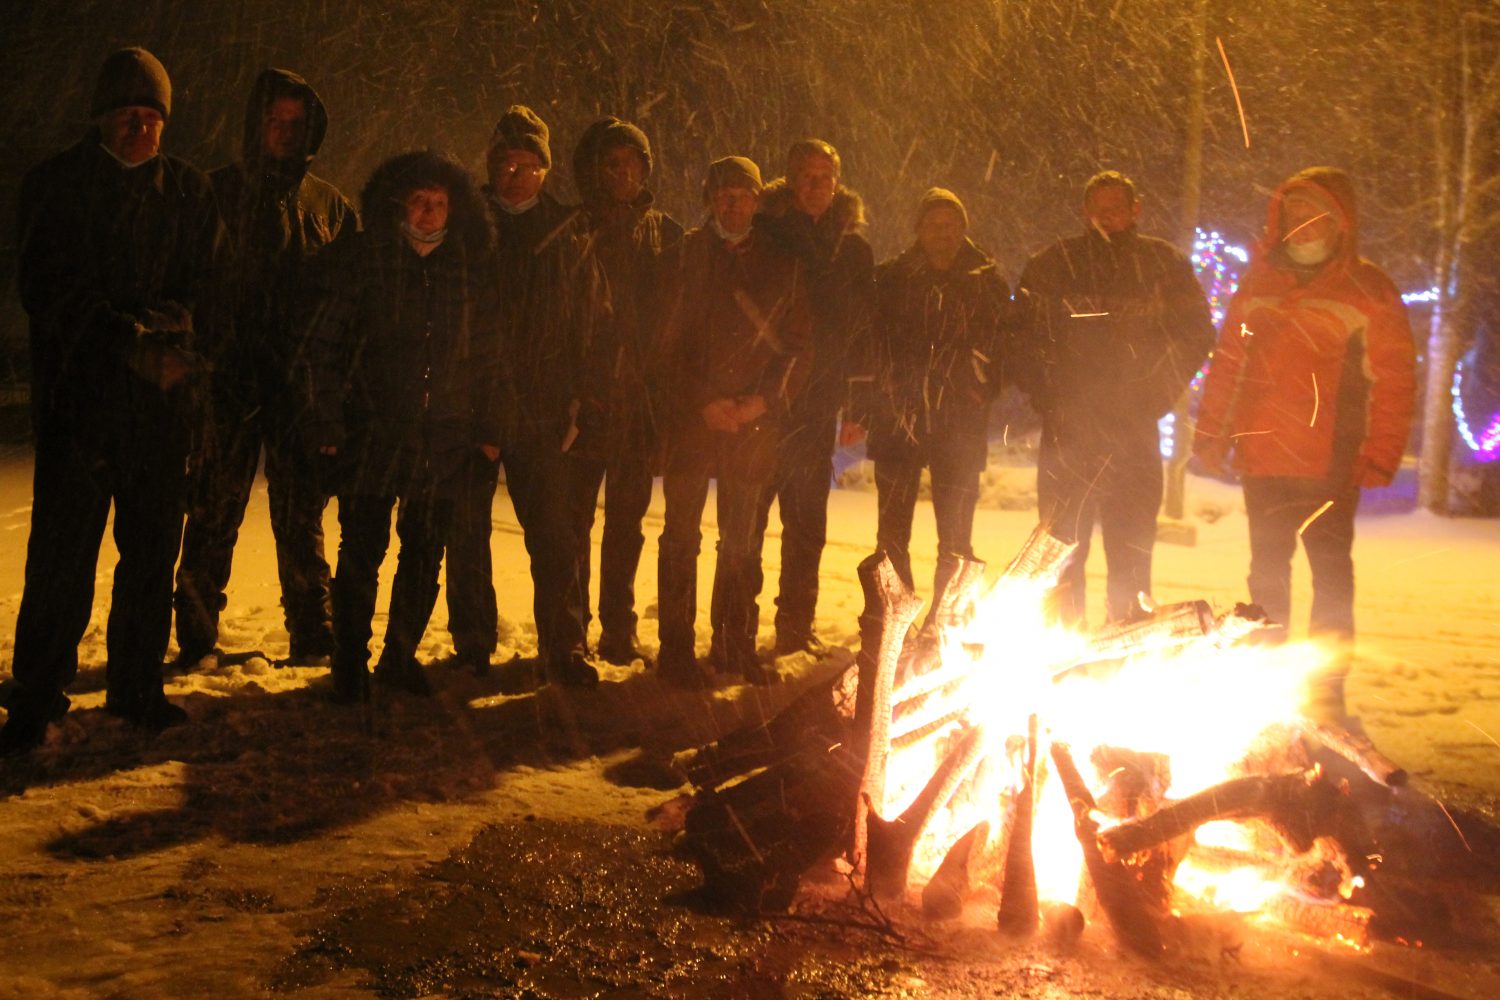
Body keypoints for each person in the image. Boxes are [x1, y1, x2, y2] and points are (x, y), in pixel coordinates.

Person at [1, 48, 225, 755]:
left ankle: (136, 686)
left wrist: (178, 338)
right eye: (128, 115)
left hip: (159, 414)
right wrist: (126, 339)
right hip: (80, 411)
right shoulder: (57, 186)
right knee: (61, 559)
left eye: (152, 117)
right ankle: (36, 696)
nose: (140, 129)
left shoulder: (187, 192)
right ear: (101, 117)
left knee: (151, 555)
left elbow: (212, 285)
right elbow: (48, 287)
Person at [1194, 167, 1416, 717]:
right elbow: (1228, 364)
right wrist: (1210, 434)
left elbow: (1395, 379)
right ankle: (1265, 685)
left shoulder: (1368, 290)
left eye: (1315, 214)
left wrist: (1381, 452)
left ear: (1340, 223)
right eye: (1293, 214)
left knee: (1331, 576)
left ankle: (1324, 692)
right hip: (1264, 458)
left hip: (1332, 463)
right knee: (1266, 574)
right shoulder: (1259, 285)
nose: (1303, 225)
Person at [304, 151, 504, 703]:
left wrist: (489, 426)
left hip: (444, 435)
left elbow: (490, 357)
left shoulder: (467, 269)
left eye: (439, 203)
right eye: (420, 201)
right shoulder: (364, 261)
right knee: (361, 550)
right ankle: (349, 662)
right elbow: (323, 345)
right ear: (399, 204)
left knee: (424, 550)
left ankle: (399, 656)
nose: (429, 212)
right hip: (373, 430)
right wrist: (327, 419)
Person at [173, 68, 356, 669]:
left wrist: (337, 387)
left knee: (302, 516)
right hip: (228, 382)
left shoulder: (329, 206)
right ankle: (196, 634)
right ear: (256, 124)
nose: (283, 132)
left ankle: (313, 632)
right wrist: (203, 363)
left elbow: (350, 305)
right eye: (273, 120)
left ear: (310, 129)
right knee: (213, 511)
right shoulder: (215, 194)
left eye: (294, 123)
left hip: (299, 389)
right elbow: (186, 286)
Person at [1016, 171, 1214, 627]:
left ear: (1135, 210)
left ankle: (1127, 638)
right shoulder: (1055, 264)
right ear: (1085, 212)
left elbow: (1196, 334)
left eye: (1117, 208)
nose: (1107, 217)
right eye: (1098, 209)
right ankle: (1060, 644)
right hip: (1069, 433)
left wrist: (1156, 395)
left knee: (1132, 553)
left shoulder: (1162, 265)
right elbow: (1019, 335)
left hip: (1133, 432)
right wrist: (1048, 395)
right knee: (1059, 552)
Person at [448, 105, 601, 686]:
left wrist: (581, 398)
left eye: (528, 164)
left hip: (544, 407)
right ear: (491, 167)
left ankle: (565, 646)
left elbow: (590, 321)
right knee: (466, 531)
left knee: (555, 535)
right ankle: (472, 643)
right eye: (507, 164)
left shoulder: (568, 231)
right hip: (473, 405)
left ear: (545, 169)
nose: (516, 175)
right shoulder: (466, 228)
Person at [656, 157, 811, 688]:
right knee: (680, 536)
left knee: (742, 540)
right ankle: (675, 650)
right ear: (709, 199)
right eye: (723, 193)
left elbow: (798, 347)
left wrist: (761, 402)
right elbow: (663, 345)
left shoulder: (781, 264)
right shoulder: (681, 258)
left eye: (743, 194)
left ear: (756, 200)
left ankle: (734, 645)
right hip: (693, 421)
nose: (733, 203)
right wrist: (703, 401)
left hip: (753, 424)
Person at [566, 117, 683, 666]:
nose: (622, 173)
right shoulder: (571, 231)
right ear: (594, 170)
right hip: (584, 403)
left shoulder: (667, 235)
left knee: (626, 527)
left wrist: (664, 398)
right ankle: (570, 630)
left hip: (639, 405)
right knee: (573, 524)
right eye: (611, 163)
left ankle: (619, 628)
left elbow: (680, 324)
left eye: (632, 163)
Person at [753, 139, 875, 656]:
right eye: (807, 175)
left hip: (819, 400)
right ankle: (736, 626)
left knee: (806, 522)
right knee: (747, 519)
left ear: (837, 183)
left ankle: (795, 625)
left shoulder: (853, 250)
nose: (817, 185)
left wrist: (859, 403)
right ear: (789, 179)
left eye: (826, 176)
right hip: (764, 399)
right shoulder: (765, 236)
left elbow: (863, 330)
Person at [857, 189, 1011, 596]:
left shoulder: (987, 283)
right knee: (891, 538)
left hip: (960, 424)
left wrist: (980, 386)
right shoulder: (891, 279)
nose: (943, 233)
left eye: (950, 224)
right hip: (897, 421)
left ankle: (948, 621)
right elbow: (868, 342)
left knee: (957, 541)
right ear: (919, 229)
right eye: (934, 224)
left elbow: (1007, 347)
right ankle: (892, 619)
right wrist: (883, 390)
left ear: (963, 229)